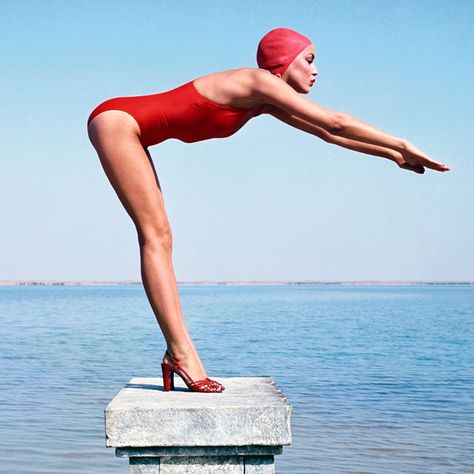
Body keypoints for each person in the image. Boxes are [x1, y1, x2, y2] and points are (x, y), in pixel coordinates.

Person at [87, 28, 449, 393]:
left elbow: (328, 134)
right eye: (309, 60)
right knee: (157, 236)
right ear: (284, 61)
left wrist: (393, 156)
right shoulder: (257, 81)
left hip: (129, 127)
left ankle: (176, 356)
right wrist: (403, 142)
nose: (316, 70)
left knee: (160, 236)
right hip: (118, 122)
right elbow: (334, 120)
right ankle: (180, 355)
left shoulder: (263, 99)